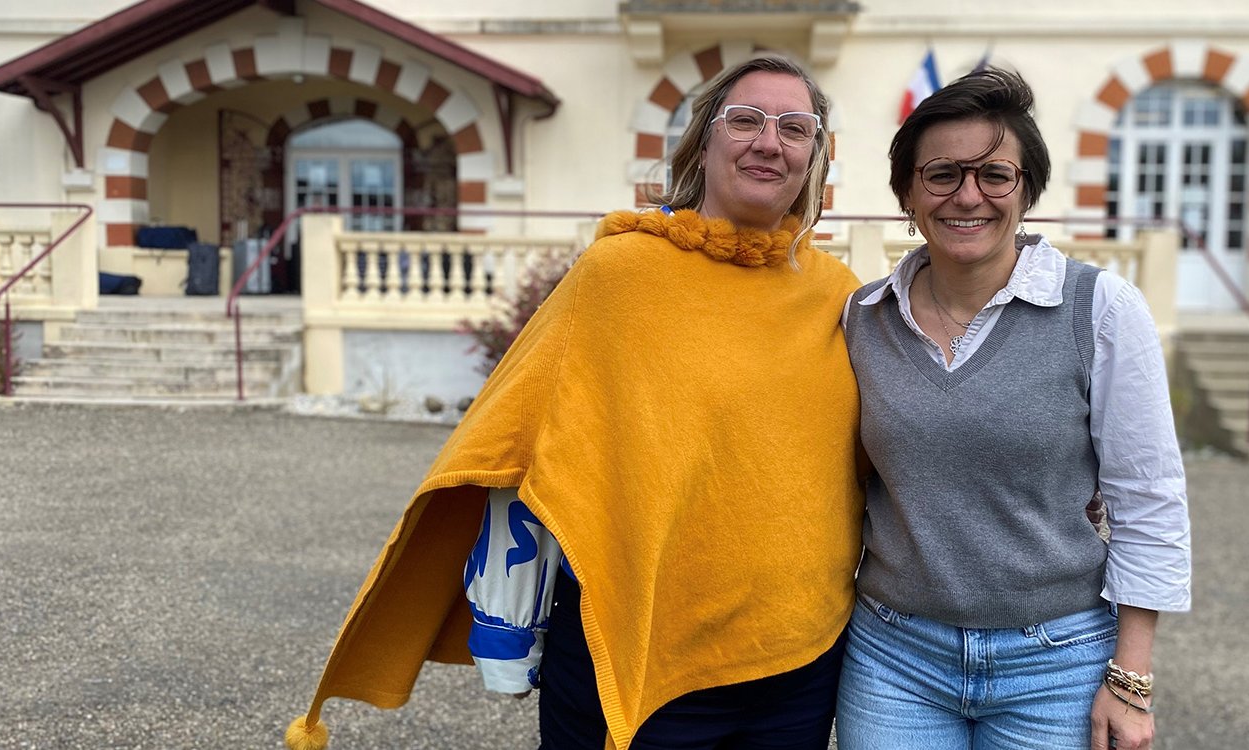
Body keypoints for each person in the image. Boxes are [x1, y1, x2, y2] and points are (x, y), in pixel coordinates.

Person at [286, 55, 866, 750]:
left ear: (815, 157)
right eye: (744, 120)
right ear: (703, 143)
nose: (768, 142)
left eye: (794, 128)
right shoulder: (617, 276)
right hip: (630, 654)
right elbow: (507, 434)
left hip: (798, 667)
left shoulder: (836, 293)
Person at [833, 68, 1191, 750]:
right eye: (941, 174)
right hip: (893, 658)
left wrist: (1131, 680)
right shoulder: (863, 317)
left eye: (995, 174)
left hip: (1056, 661)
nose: (968, 195)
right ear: (907, 192)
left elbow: (1149, 498)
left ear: (1026, 191)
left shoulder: (1100, 309)